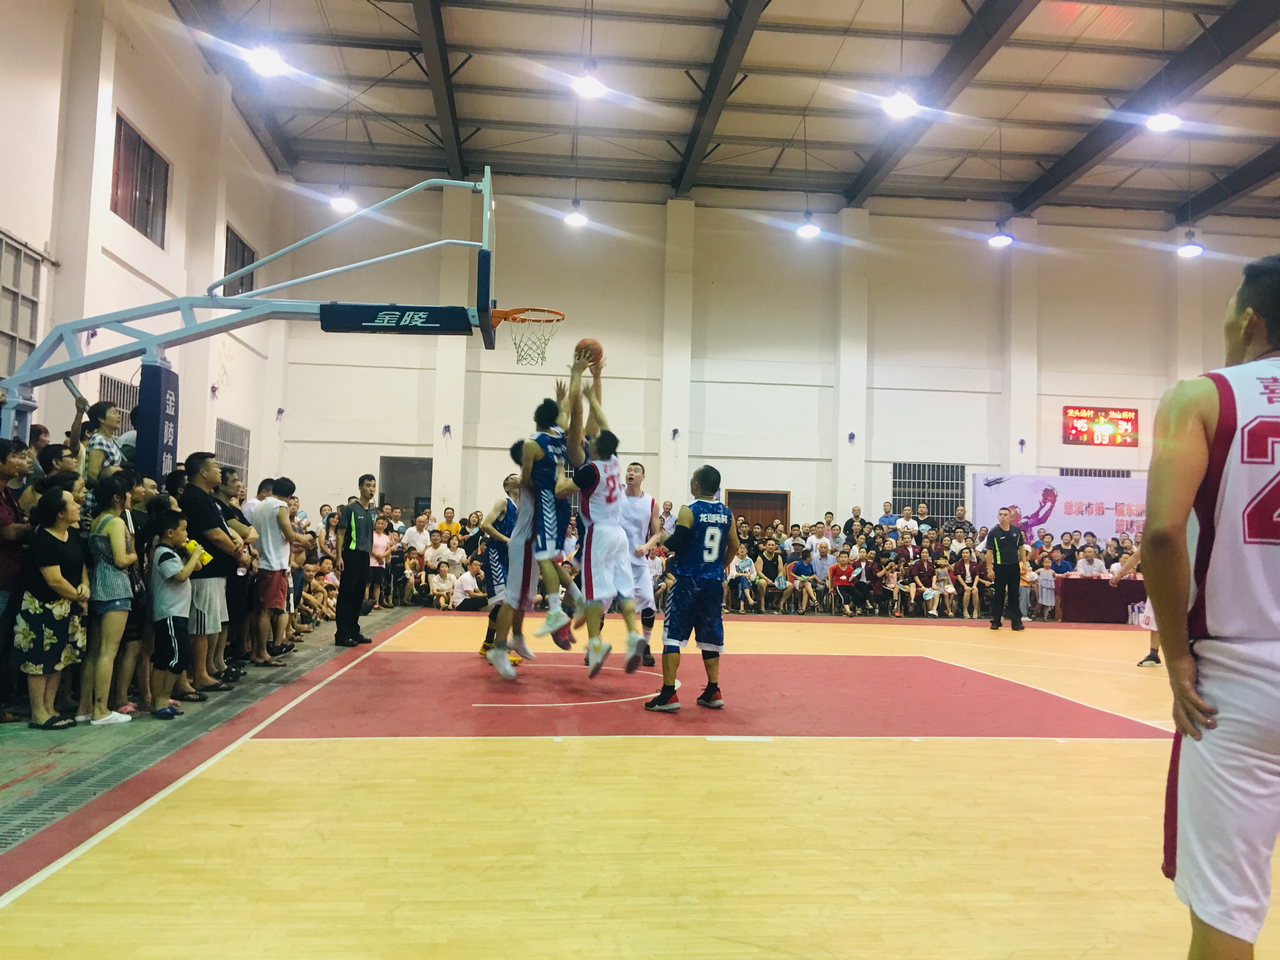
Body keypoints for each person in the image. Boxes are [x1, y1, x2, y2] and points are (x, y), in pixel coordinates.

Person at [1141, 254, 1280, 958]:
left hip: (1237, 677)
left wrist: (1175, 660)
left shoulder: (1201, 397)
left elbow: (1163, 533)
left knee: (1227, 913)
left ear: (1250, 321)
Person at [557, 354, 643, 674]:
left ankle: (595, 646)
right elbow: (603, 424)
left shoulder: (588, 469)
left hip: (599, 534)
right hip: (620, 534)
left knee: (593, 594)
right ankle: (634, 636)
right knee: (623, 589)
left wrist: (556, 472)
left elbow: (561, 491)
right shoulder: (615, 461)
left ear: (593, 447)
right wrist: (594, 389)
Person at [646, 464, 736, 712]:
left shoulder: (690, 509)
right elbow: (734, 545)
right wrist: (719, 567)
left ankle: (668, 694)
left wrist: (659, 533)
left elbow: (676, 543)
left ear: (696, 484)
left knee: (673, 635)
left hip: (688, 580)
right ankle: (713, 690)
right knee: (710, 636)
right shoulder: (727, 512)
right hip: (713, 582)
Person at [11, 489, 88, 729]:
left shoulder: (72, 534)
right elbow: (54, 580)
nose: (78, 505)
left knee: (58, 660)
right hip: (41, 608)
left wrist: (84, 586)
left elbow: (81, 565)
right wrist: (78, 597)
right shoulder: (43, 539)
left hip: (66, 606)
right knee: (39, 663)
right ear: (60, 513)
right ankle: (38, 713)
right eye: (72, 503)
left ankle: (50, 708)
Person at [178, 453, 245, 693]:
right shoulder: (194, 498)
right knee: (202, 627)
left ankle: (209, 667)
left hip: (217, 571)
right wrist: (239, 554)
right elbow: (214, 535)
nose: (219, 470)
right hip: (203, 572)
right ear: (203, 472)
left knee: (213, 624)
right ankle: (199, 674)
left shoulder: (208, 498)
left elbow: (225, 529)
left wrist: (238, 544)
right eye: (215, 467)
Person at [77, 473, 138, 724]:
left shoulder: (97, 521)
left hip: (97, 583)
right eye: (127, 492)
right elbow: (122, 559)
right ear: (117, 497)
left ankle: (84, 707)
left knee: (93, 652)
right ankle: (101, 710)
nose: (130, 496)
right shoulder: (116, 523)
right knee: (108, 651)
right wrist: (134, 554)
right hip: (115, 585)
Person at [148, 511, 203, 720]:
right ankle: (162, 698)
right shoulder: (164, 554)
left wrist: (191, 552)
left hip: (177, 612)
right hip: (170, 612)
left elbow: (197, 567)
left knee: (164, 659)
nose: (186, 534)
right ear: (170, 532)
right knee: (179, 657)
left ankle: (158, 700)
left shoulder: (174, 552)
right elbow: (180, 576)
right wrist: (194, 555)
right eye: (183, 530)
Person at [252, 478, 312, 663]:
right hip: (274, 563)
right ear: (289, 495)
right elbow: (289, 533)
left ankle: (257, 651)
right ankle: (262, 653)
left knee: (261, 610)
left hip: (264, 560)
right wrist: (305, 539)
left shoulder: (261, 505)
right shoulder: (279, 506)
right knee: (267, 610)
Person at [620, 459, 661, 666]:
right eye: (629, 470)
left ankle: (645, 646)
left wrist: (646, 547)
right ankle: (594, 645)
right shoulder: (616, 498)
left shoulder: (651, 503)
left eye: (636, 471)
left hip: (638, 561)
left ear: (643, 477)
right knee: (602, 603)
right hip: (615, 560)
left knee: (648, 600)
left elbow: (656, 534)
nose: (631, 473)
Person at [335, 474, 377, 647]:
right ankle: (342, 634)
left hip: (365, 556)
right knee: (347, 595)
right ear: (360, 487)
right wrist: (339, 556)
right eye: (368, 485)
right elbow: (341, 533)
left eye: (373, 486)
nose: (371, 489)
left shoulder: (373, 511)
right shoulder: (350, 509)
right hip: (350, 555)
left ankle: (354, 630)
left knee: (359, 595)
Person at [985, 506, 1028, 631]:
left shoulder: (1016, 531)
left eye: (1005, 514)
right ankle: (996, 621)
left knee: (1014, 595)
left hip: (1014, 566)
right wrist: (990, 569)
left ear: (1010, 517)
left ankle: (1016, 622)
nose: (1003, 517)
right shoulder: (994, 532)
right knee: (998, 595)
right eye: (1001, 514)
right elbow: (989, 552)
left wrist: (1024, 563)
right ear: (998, 517)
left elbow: (1021, 548)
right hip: (1000, 567)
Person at [754, 538, 792, 614]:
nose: (771, 547)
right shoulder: (760, 557)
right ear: (765, 546)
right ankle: (762, 606)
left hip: (775, 580)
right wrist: (767, 580)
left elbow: (781, 571)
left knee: (790, 586)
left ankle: (780, 604)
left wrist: (778, 579)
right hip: (764, 579)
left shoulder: (778, 557)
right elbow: (759, 572)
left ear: (775, 547)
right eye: (769, 545)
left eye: (772, 545)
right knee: (762, 583)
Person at [368, 516, 391, 610]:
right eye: (378, 523)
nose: (380, 526)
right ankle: (365, 603)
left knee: (377, 584)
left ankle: (376, 603)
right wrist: (377, 555)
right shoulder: (371, 535)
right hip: (370, 562)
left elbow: (388, 549)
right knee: (368, 584)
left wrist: (382, 556)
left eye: (382, 524)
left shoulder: (386, 537)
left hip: (381, 564)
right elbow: (369, 547)